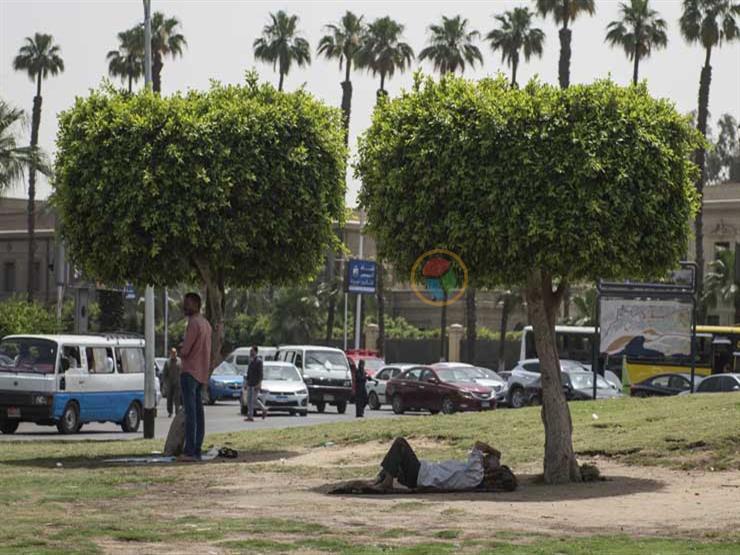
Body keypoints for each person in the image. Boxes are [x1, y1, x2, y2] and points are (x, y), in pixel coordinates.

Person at [374, 437, 501, 491]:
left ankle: (387, 482)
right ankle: (379, 479)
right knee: (395, 460)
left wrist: (495, 452)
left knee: (400, 443)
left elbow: (479, 445)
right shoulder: (473, 473)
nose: (485, 456)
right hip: (422, 474)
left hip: (421, 476)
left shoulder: (475, 474)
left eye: (488, 458)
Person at [179, 292, 212, 461]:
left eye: (187, 304)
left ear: (195, 305)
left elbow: (186, 350)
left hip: (190, 371)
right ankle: (197, 448)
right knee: (199, 413)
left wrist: (180, 348)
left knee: (191, 413)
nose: (184, 307)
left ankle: (190, 451)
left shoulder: (193, 323)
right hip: (201, 373)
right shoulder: (206, 324)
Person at [244, 345, 266, 422]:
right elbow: (248, 373)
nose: (251, 353)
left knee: (254, 400)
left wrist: (259, 383)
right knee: (249, 400)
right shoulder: (250, 361)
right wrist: (246, 383)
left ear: (255, 352)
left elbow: (261, 374)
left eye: (252, 351)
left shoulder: (259, 361)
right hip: (250, 383)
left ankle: (263, 409)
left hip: (255, 383)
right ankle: (250, 416)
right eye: (250, 351)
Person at [163, 347, 182, 417]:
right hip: (170, 382)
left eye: (175, 353)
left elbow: (182, 371)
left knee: (177, 398)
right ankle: (170, 411)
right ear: (170, 353)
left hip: (178, 382)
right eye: (172, 353)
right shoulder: (167, 362)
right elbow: (165, 373)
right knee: (169, 398)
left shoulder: (180, 361)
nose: (174, 354)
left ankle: (177, 411)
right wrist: (165, 383)